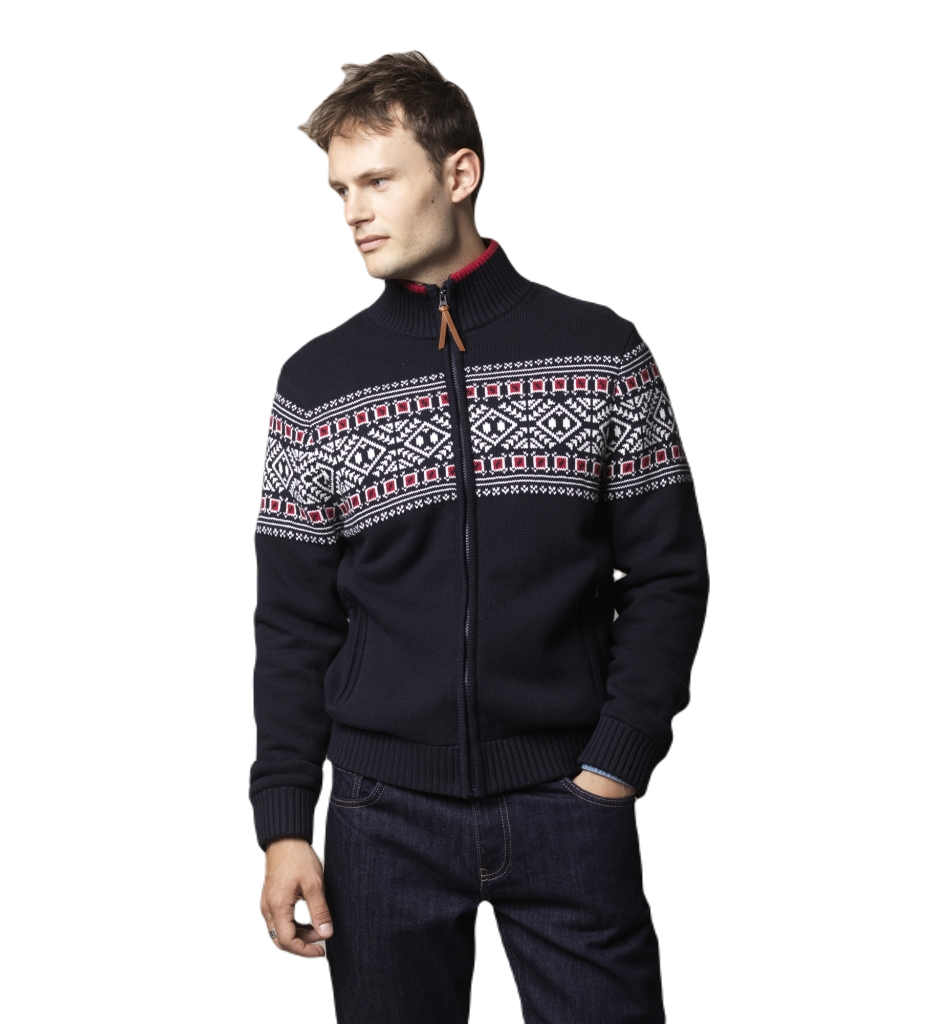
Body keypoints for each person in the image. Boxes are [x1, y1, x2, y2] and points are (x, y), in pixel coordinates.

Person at [252, 49, 710, 1023]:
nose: (353, 212)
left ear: (459, 173)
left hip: (567, 798)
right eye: (340, 190)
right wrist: (285, 824)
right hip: (380, 816)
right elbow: (292, 623)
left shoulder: (604, 352)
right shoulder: (314, 384)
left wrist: (617, 763)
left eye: (379, 181)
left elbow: (671, 574)